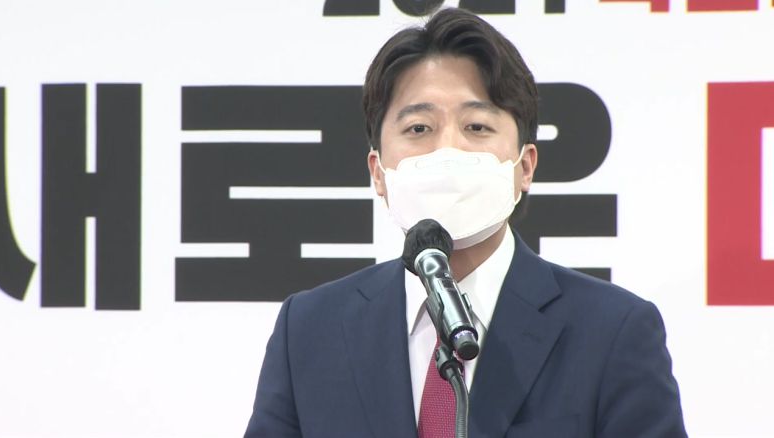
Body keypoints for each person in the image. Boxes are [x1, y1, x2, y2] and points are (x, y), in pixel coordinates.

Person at [244, 7, 687, 438]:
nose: (448, 151)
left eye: (476, 127)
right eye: (419, 128)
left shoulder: (613, 332)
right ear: (378, 172)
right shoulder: (309, 330)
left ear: (525, 166)